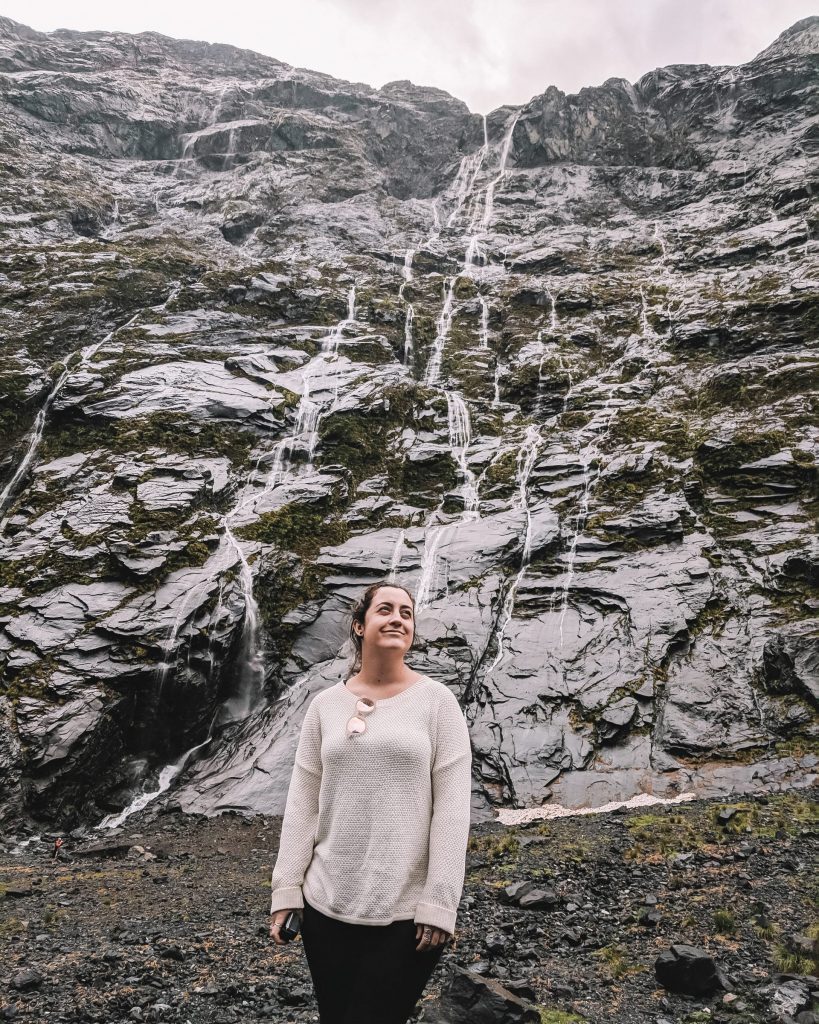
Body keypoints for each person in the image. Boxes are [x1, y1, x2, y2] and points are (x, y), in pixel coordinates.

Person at [268, 580, 473, 1024]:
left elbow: (453, 811)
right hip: (326, 904)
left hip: (404, 911)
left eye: (406, 612)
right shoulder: (324, 705)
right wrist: (286, 890)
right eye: (385, 609)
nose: (397, 618)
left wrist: (440, 902)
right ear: (360, 625)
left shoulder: (438, 703)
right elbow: (303, 802)